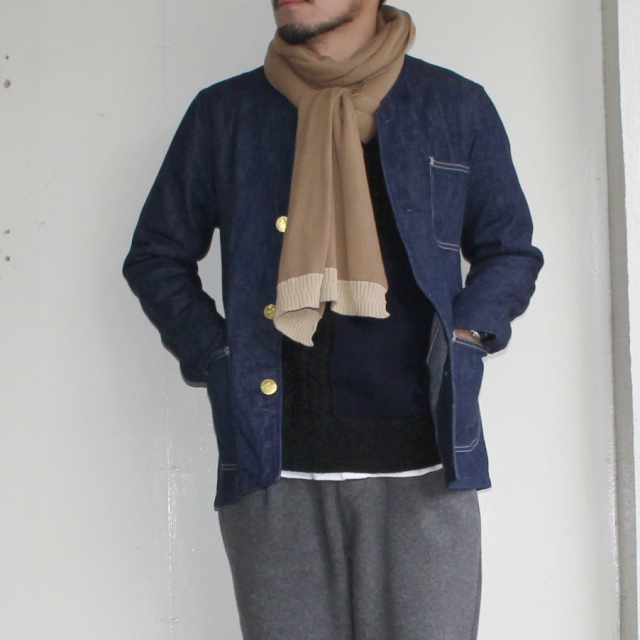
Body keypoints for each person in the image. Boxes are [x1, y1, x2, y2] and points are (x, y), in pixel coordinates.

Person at [123, 1, 543, 638]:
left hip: (426, 467)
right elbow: (157, 255)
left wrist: (464, 338)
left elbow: (509, 249)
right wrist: (219, 355)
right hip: (275, 467)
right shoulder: (227, 113)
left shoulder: (453, 105)